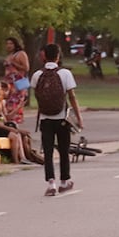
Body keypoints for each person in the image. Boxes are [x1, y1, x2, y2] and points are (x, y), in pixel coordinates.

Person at [30, 44, 83, 196]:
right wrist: (79, 118)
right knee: (64, 150)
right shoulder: (65, 73)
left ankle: (51, 183)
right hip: (62, 118)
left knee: (48, 152)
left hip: (45, 118)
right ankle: (64, 181)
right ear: (58, 56)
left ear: (44, 56)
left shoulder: (37, 75)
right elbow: (72, 97)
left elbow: (37, 95)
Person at [3, 36, 30, 123]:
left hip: (18, 83)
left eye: (11, 43)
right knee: (8, 103)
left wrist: (13, 63)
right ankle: (9, 121)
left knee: (16, 103)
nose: (8, 45)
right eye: (7, 44)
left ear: (15, 44)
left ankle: (16, 121)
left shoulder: (21, 54)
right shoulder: (9, 55)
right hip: (8, 83)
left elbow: (26, 68)